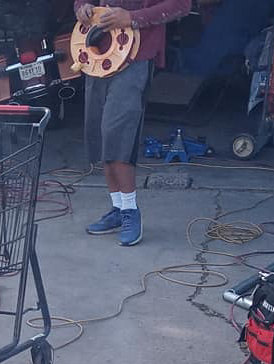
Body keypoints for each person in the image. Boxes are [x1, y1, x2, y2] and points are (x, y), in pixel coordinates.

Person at [76, 0, 192, 246]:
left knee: (118, 132)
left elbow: (181, 5)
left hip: (136, 56)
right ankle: (118, 208)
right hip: (98, 54)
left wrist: (133, 17)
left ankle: (130, 210)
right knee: (101, 135)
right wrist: (82, 7)